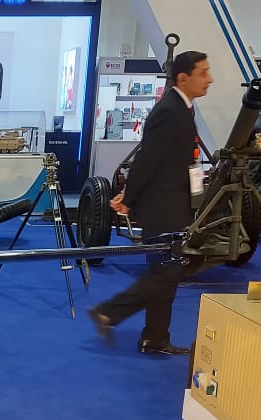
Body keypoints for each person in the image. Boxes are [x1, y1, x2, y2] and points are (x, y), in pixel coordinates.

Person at [88, 51, 213, 356]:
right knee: (166, 274)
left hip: (172, 205)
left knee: (166, 276)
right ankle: (108, 313)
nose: (209, 79)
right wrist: (129, 198)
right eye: (203, 73)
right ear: (183, 77)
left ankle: (155, 337)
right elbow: (148, 160)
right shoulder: (169, 111)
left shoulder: (182, 109)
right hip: (162, 209)